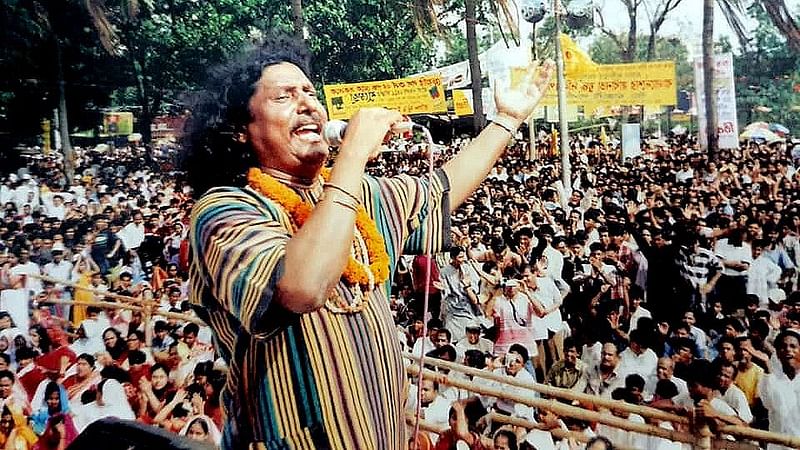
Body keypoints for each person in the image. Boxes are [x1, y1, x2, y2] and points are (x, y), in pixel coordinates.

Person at [185, 34, 553, 449]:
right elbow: (301, 287)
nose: (308, 103)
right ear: (239, 132)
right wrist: (353, 156)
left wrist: (507, 119)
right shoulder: (224, 210)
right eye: (284, 96)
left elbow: (443, 188)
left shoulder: (360, 199)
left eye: (309, 91)